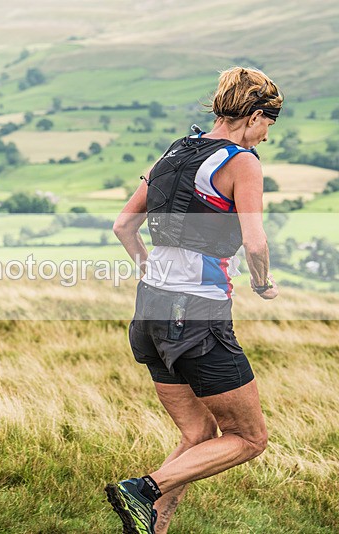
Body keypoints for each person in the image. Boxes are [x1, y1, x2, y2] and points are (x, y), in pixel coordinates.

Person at [106, 66, 283, 534]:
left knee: (198, 435)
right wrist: (262, 283)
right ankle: (142, 489)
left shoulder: (175, 152)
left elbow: (124, 225)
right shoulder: (241, 161)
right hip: (198, 315)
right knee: (249, 438)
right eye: (269, 125)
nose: (265, 138)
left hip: (149, 311)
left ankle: (151, 527)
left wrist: (146, 265)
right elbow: (256, 242)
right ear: (256, 114)